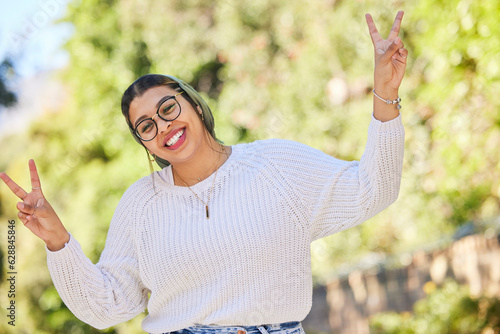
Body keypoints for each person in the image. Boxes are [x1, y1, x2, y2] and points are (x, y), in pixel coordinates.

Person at [0, 11, 407, 334]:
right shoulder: (141, 204)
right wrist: (58, 242)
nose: (162, 127)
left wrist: (385, 95)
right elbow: (108, 307)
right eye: (146, 126)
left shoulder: (276, 166)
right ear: (144, 142)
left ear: (193, 104)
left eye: (168, 109)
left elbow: (373, 189)